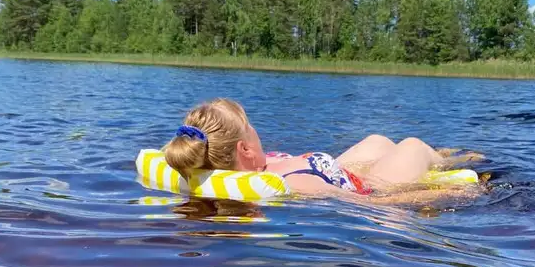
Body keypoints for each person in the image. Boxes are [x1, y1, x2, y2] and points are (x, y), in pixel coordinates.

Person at [162, 98, 460, 199]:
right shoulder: (295, 183)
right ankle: (449, 161)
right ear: (245, 149)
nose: (257, 130)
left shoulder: (262, 165)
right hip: (372, 187)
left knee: (377, 140)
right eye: (250, 126)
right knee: (412, 145)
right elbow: (372, 205)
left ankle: (445, 156)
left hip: (342, 170)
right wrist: (451, 194)